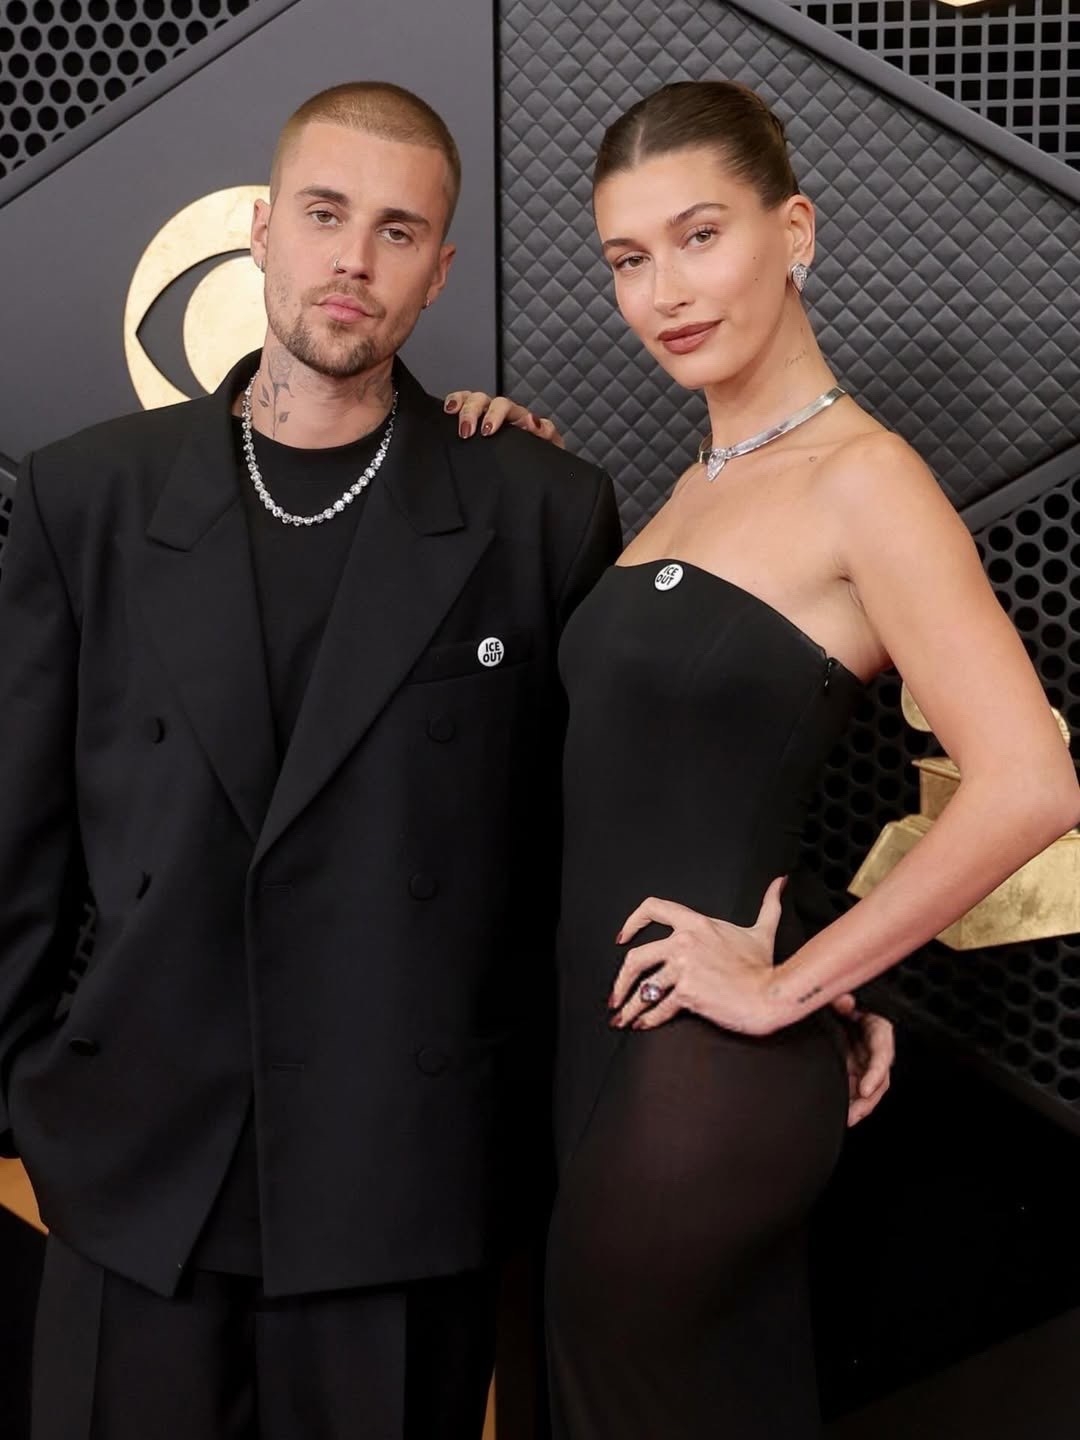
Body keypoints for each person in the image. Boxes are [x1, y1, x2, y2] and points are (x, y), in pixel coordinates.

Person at [0, 80, 891, 1440]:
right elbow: (15, 850)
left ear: (441, 272)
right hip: (136, 1181)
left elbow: (623, 802)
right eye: (324, 214)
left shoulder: (536, 510)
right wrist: (35, 1108)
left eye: (399, 231)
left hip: (400, 1194)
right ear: (261, 230)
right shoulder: (89, 497)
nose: (353, 259)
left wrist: (814, 967)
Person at [447, 79, 1080, 1439]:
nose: (664, 291)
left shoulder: (865, 479)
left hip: (695, 1077)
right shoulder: (694, 485)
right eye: (629, 258)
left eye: (700, 236)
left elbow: (1032, 782)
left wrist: (802, 981)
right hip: (596, 1050)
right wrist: (506, 467)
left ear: (794, 231)